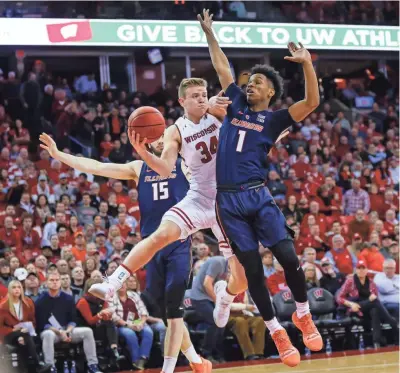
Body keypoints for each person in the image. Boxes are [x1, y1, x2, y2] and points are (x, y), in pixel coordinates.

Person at [39, 117, 231, 373]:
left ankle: (170, 369)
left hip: (178, 243)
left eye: (164, 136)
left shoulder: (184, 165)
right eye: (156, 137)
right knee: (168, 314)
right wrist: (59, 154)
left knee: (174, 313)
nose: (161, 140)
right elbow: (96, 166)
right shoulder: (139, 168)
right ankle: (196, 360)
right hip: (150, 250)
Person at [198, 8, 322, 367]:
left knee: (288, 257)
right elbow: (222, 67)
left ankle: (302, 313)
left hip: (257, 193)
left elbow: (312, 103)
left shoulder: (274, 119)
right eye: (249, 81)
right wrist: (210, 33)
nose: (250, 84)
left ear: (270, 92)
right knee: (252, 270)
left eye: (257, 82)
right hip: (228, 200)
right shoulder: (234, 102)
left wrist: (307, 64)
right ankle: (276, 331)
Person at [35, 272, 102, 373]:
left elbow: (73, 319)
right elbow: (42, 323)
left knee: (87, 331)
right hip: (52, 332)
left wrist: (67, 331)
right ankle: (50, 367)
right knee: (48, 334)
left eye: (57, 280)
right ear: (46, 283)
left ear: (60, 282)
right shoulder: (41, 300)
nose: (55, 283)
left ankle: (92, 365)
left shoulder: (68, 298)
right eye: (52, 280)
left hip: (67, 330)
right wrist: (59, 332)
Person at [336, 260, 398, 348]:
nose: (361, 270)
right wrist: (351, 304)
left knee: (375, 310)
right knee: (375, 303)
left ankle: (376, 343)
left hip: (367, 307)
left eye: (363, 268)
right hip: (354, 308)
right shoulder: (350, 281)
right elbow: (339, 297)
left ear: (366, 270)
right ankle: (392, 323)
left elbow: (375, 297)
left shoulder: (371, 283)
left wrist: (372, 298)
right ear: (355, 270)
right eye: (359, 268)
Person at [0, 280, 51, 373]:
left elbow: (33, 321)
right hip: (8, 334)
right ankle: (38, 364)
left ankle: (24, 370)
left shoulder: (28, 302)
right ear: (9, 290)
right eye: (14, 287)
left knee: (23, 341)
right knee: (24, 336)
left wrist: (26, 330)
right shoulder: (3, 305)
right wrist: (13, 330)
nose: (17, 289)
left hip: (25, 332)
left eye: (19, 287)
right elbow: (1, 327)